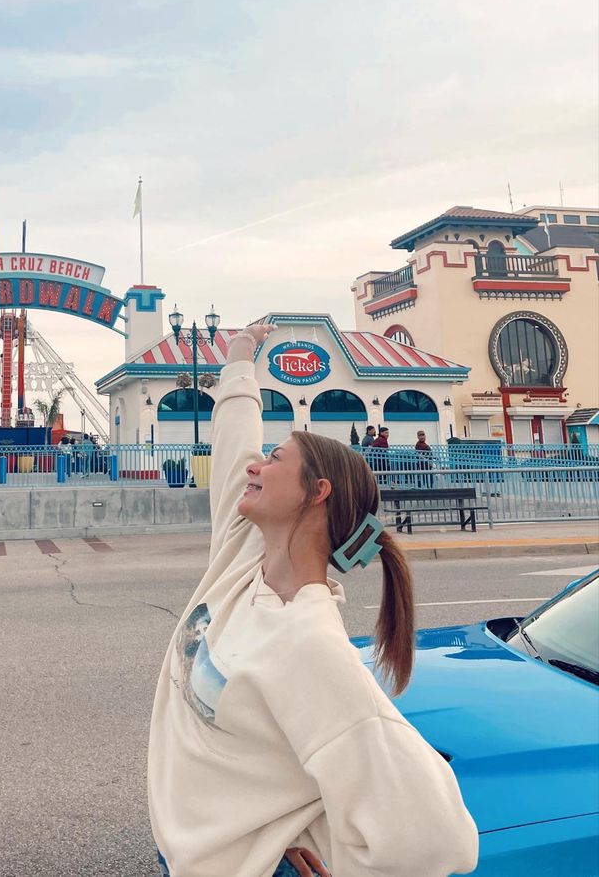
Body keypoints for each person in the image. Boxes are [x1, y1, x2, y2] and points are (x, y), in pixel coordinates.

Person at [148, 324, 478, 877]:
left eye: (274, 459)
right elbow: (234, 442)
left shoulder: (309, 645)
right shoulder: (240, 556)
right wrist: (239, 359)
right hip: (184, 853)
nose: (255, 465)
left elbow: (436, 838)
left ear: (317, 492)